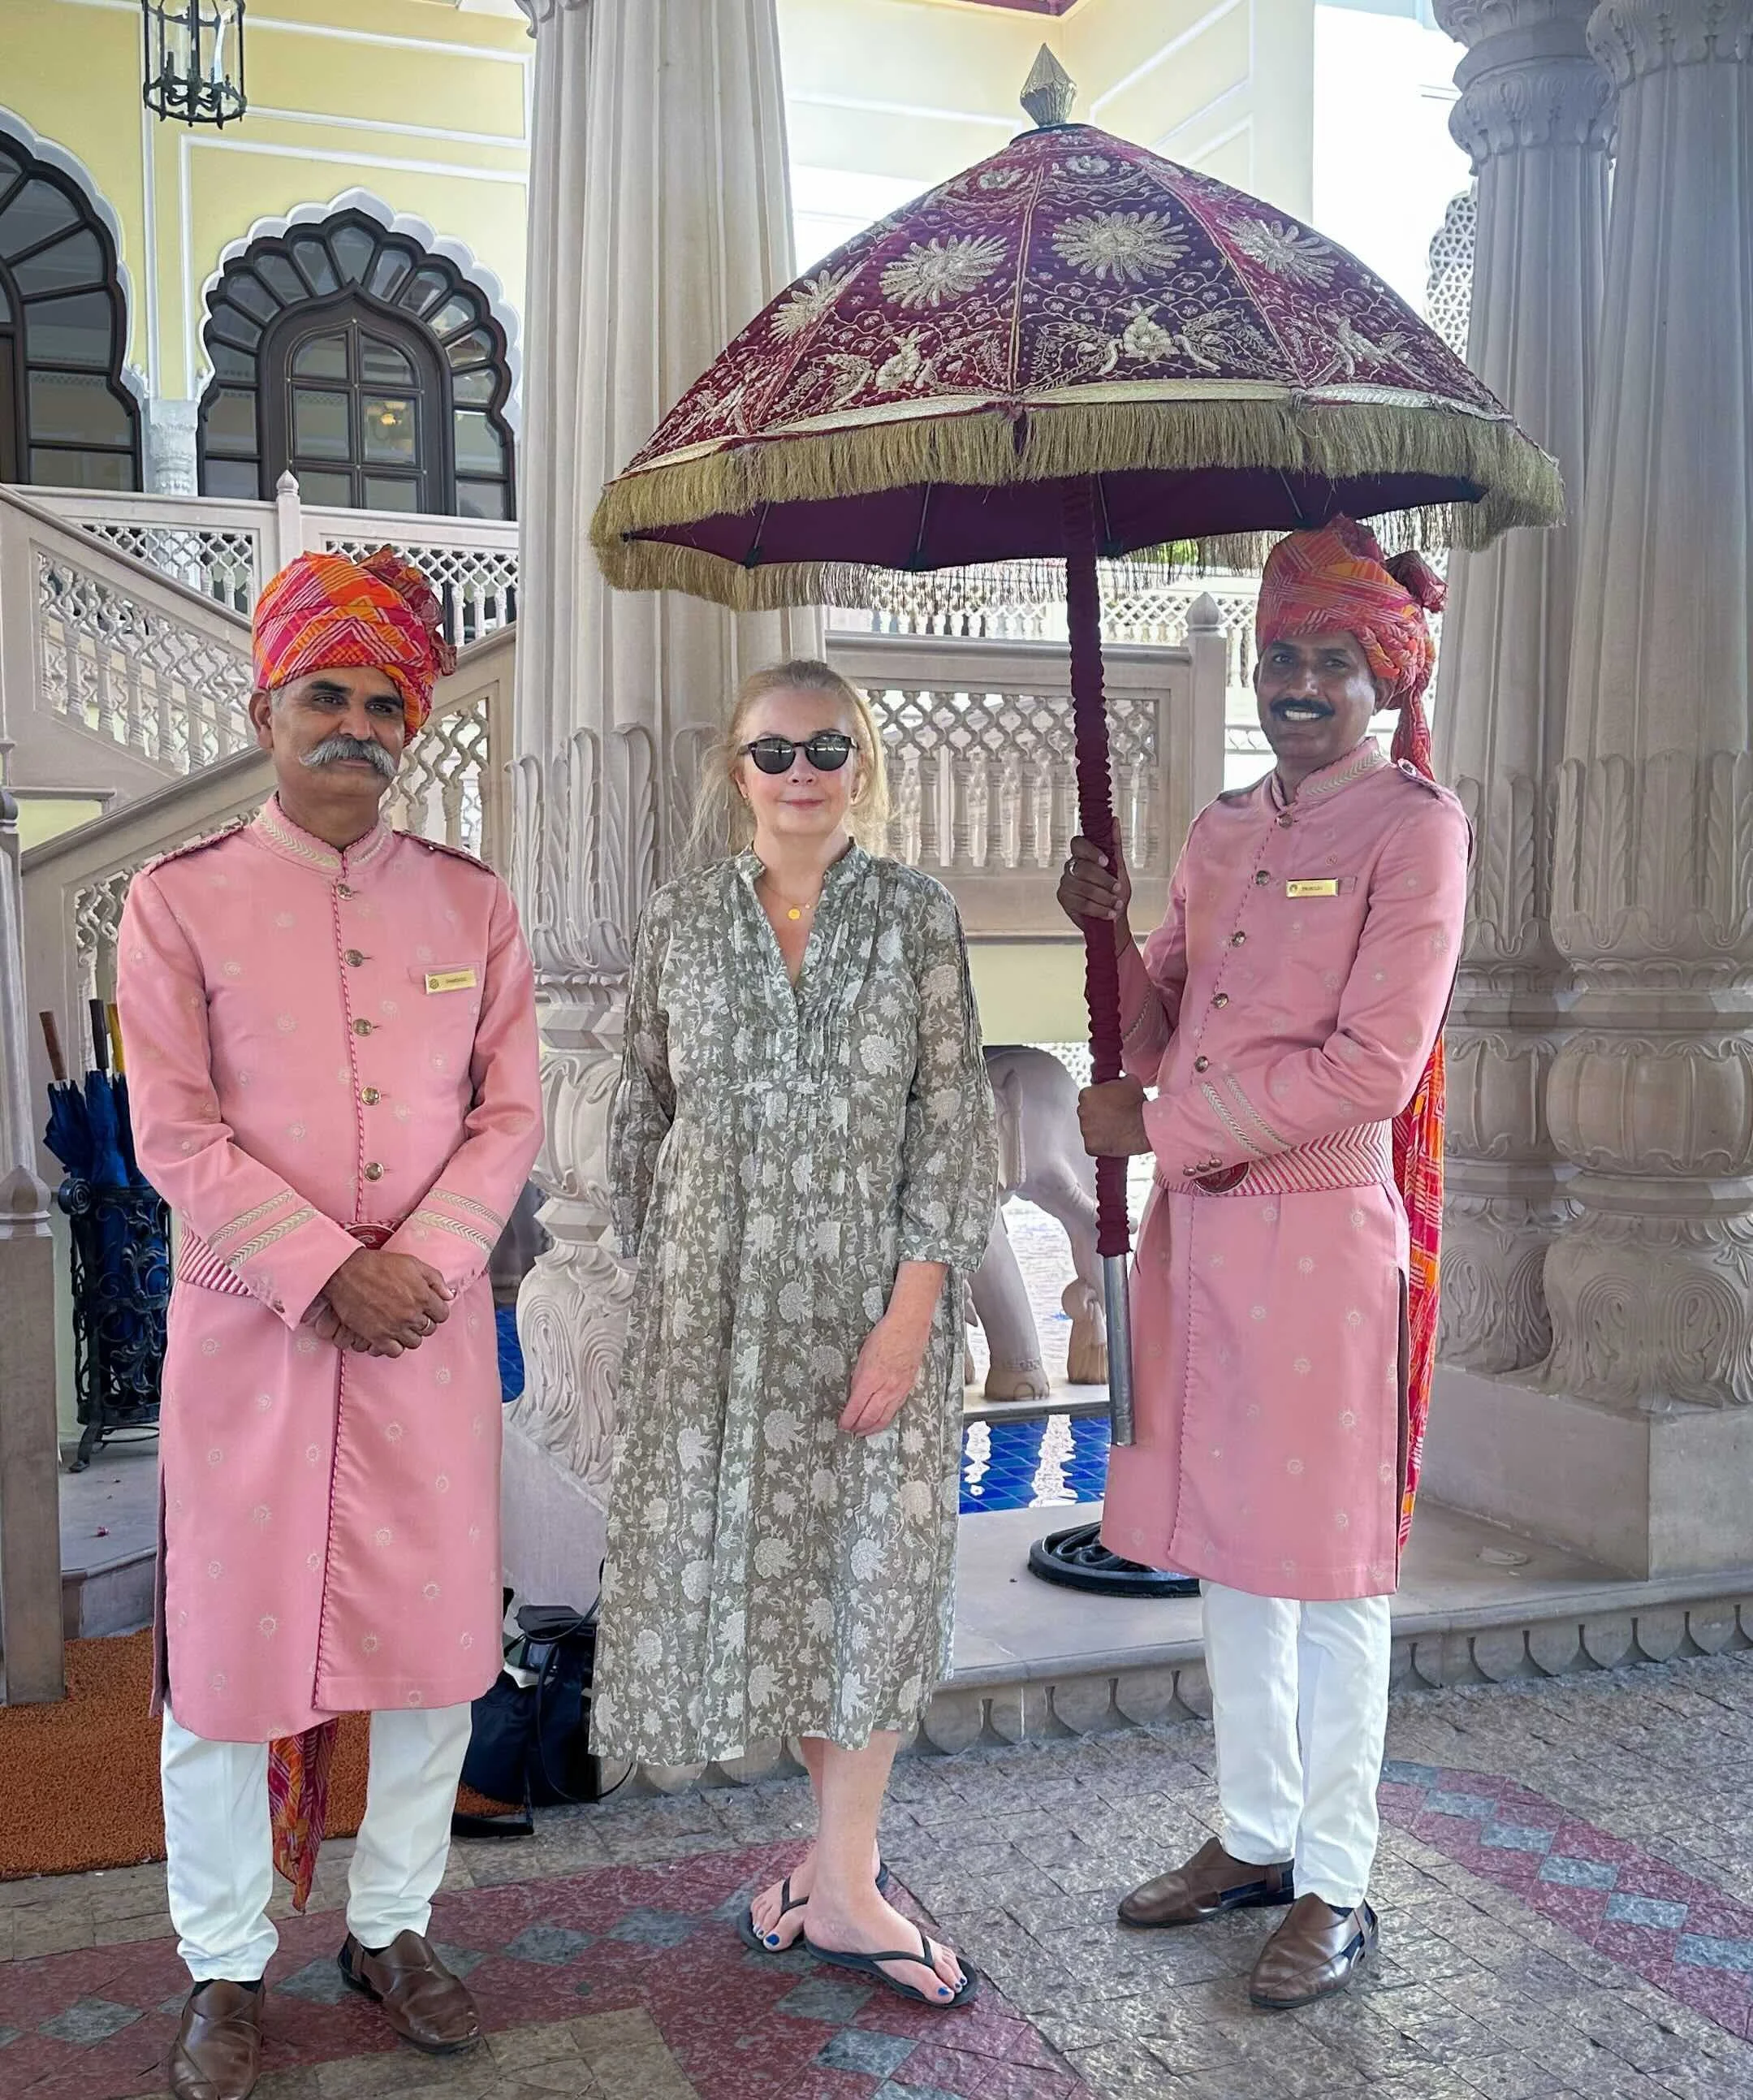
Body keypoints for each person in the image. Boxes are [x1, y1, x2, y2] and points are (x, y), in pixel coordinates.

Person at [117, 548, 543, 2100]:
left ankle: (394, 1922)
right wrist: (319, 1267)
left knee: (434, 1660)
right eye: (326, 695)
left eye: (383, 703)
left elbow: (507, 1116)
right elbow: (171, 1132)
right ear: (266, 706)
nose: (356, 726)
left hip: (421, 1331)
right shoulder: (179, 904)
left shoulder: (471, 904)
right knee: (227, 1671)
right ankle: (223, 1966)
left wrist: (419, 1258)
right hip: (252, 1339)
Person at [1058, 518, 1468, 2010]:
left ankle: (1336, 1876)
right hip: (1205, 1237)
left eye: (1330, 661)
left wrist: (1159, 1120)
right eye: (1282, 654)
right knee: (1232, 1542)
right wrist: (1105, 934)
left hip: (1318, 1229)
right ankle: (1250, 1831)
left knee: (1335, 1569)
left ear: (1378, 677)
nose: (1300, 682)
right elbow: (1158, 1015)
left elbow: (1373, 1066)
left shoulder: (1416, 829)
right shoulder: (1223, 828)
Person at [590, 659, 997, 2011]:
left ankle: (849, 1876)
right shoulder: (679, 923)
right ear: (734, 770)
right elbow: (644, 1110)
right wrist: (676, 1284)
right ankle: (835, 1880)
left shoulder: (918, 920)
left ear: (861, 764)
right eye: (773, 751)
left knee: (866, 1585)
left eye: (827, 746)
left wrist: (912, 1313)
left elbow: (953, 1123)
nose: (800, 771)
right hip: (719, 1322)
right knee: (779, 1592)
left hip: (873, 1317)